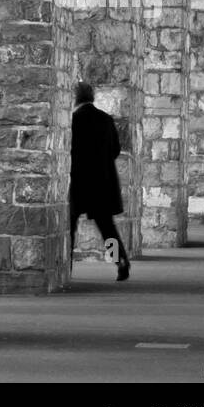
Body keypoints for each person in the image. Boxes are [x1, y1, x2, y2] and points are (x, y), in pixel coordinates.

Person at [69, 81, 130, 281]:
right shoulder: (105, 119)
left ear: (75, 98)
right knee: (107, 229)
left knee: (69, 227)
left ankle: (65, 262)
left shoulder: (73, 120)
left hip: (78, 182)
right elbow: (115, 150)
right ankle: (119, 260)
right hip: (102, 183)